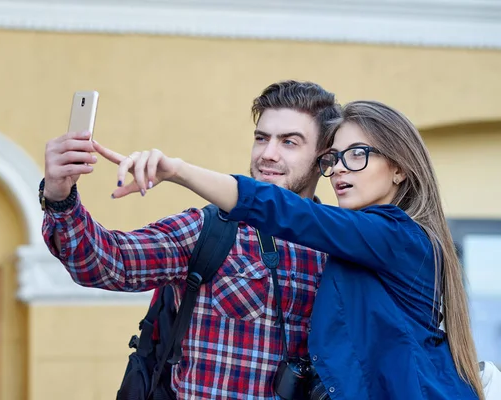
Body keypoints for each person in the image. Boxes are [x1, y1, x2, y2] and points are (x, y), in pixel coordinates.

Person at [100, 100, 485, 399]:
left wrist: (178, 171)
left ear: (399, 169)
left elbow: (292, 214)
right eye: (334, 159)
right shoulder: (360, 242)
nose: (339, 171)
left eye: (358, 155)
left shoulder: (400, 238)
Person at [39, 80, 342, 399]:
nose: (267, 154)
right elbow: (107, 263)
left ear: (325, 159)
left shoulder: (342, 246)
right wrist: (59, 197)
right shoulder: (210, 230)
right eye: (261, 138)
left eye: (289, 142)